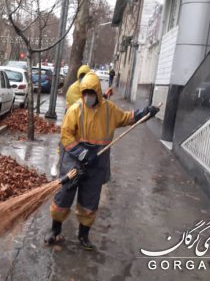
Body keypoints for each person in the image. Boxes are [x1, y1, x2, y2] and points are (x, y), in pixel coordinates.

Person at [45, 72, 159, 251]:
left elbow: (126, 117)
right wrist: (82, 153)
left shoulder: (109, 110)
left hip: (97, 163)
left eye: (91, 92)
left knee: (89, 201)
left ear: (98, 92)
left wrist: (145, 113)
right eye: (85, 93)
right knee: (63, 196)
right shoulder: (75, 110)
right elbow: (66, 136)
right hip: (74, 161)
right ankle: (55, 229)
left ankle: (83, 236)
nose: (87, 96)